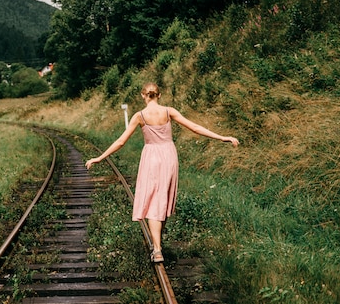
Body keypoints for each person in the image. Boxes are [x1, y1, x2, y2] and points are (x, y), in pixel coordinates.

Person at [85, 82, 239, 263]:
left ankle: (157, 249)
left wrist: (100, 158)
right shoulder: (168, 112)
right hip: (169, 156)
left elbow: (120, 142)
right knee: (162, 199)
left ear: (143, 95)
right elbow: (195, 127)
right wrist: (223, 137)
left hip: (151, 157)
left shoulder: (139, 116)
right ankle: (157, 245)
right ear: (159, 95)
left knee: (152, 201)